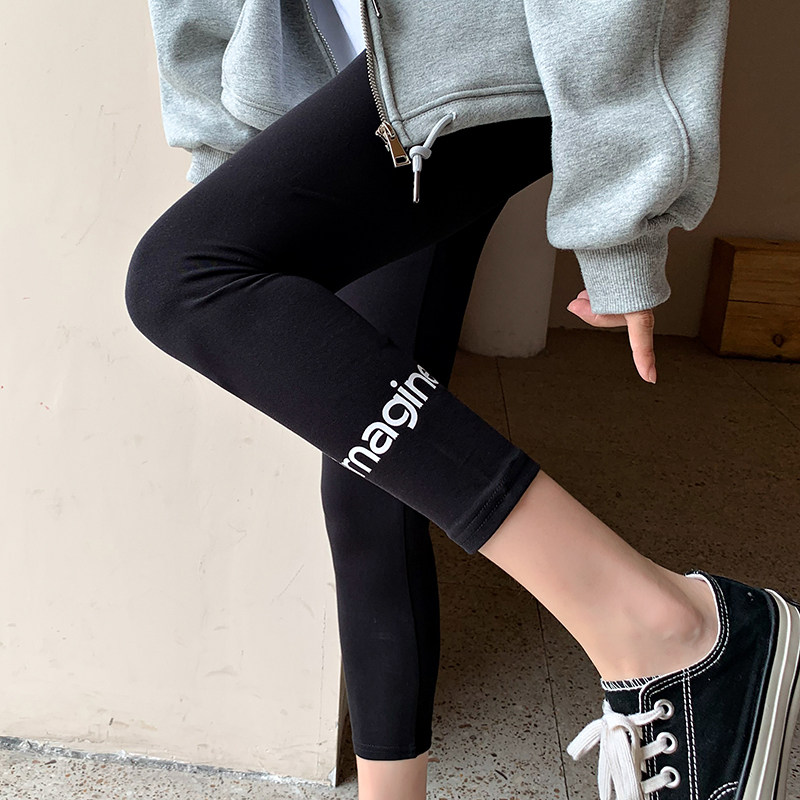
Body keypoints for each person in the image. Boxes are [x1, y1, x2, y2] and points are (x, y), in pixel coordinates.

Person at [127, 1, 800, 799]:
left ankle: (664, 625)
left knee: (180, 281)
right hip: (360, 76)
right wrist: (234, 164)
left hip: (475, 45)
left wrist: (623, 222)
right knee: (371, 481)